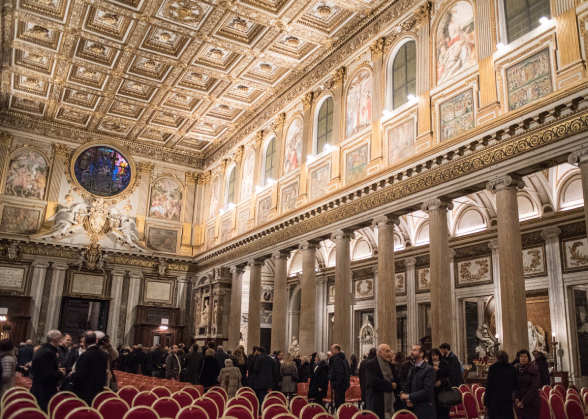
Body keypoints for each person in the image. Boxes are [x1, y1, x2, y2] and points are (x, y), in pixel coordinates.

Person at [70, 331, 108, 406]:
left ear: (85, 341)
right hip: (98, 391)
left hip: (85, 392)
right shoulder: (103, 354)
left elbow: (80, 375)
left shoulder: (85, 355)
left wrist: (71, 375)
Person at [31, 330, 65, 412]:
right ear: (56, 339)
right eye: (60, 339)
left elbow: (43, 369)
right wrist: (61, 373)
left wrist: (56, 369)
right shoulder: (48, 353)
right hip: (44, 392)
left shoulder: (42, 350)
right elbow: (47, 376)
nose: (61, 341)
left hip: (38, 389)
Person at [401, 344, 436, 419]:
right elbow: (408, 385)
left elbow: (427, 391)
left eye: (414, 350)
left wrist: (409, 396)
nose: (411, 352)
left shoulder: (429, 369)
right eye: (412, 350)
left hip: (425, 408)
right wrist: (407, 399)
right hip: (413, 407)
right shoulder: (412, 369)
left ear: (421, 354)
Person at [366, 344, 400, 419]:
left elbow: (397, 382)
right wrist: (390, 385)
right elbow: (374, 382)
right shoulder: (371, 364)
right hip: (377, 402)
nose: (390, 354)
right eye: (387, 351)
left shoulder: (391, 365)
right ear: (379, 353)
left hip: (391, 403)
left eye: (390, 351)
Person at [484, 350, 518, 419]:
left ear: (497, 358)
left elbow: (489, 386)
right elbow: (516, 384)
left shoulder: (493, 368)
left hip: (494, 400)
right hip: (507, 399)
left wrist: (486, 402)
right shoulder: (511, 368)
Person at [514, 349, 541, 419]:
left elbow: (534, 388)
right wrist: (516, 397)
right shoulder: (516, 369)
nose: (523, 358)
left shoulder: (533, 369)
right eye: (521, 356)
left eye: (525, 357)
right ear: (519, 358)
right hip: (519, 403)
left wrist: (524, 402)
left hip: (531, 403)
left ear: (528, 358)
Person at [429, 348, 451, 419]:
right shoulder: (428, 366)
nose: (434, 357)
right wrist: (433, 372)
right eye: (432, 355)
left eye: (436, 355)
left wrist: (441, 381)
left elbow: (450, 377)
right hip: (433, 393)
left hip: (443, 391)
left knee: (444, 413)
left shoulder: (445, 364)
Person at [329, 344, 351, 410]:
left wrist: (335, 383)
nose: (331, 351)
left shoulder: (337, 359)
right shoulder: (344, 359)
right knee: (341, 402)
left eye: (332, 349)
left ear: (337, 350)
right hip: (343, 384)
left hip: (339, 385)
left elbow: (339, 373)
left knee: (339, 403)